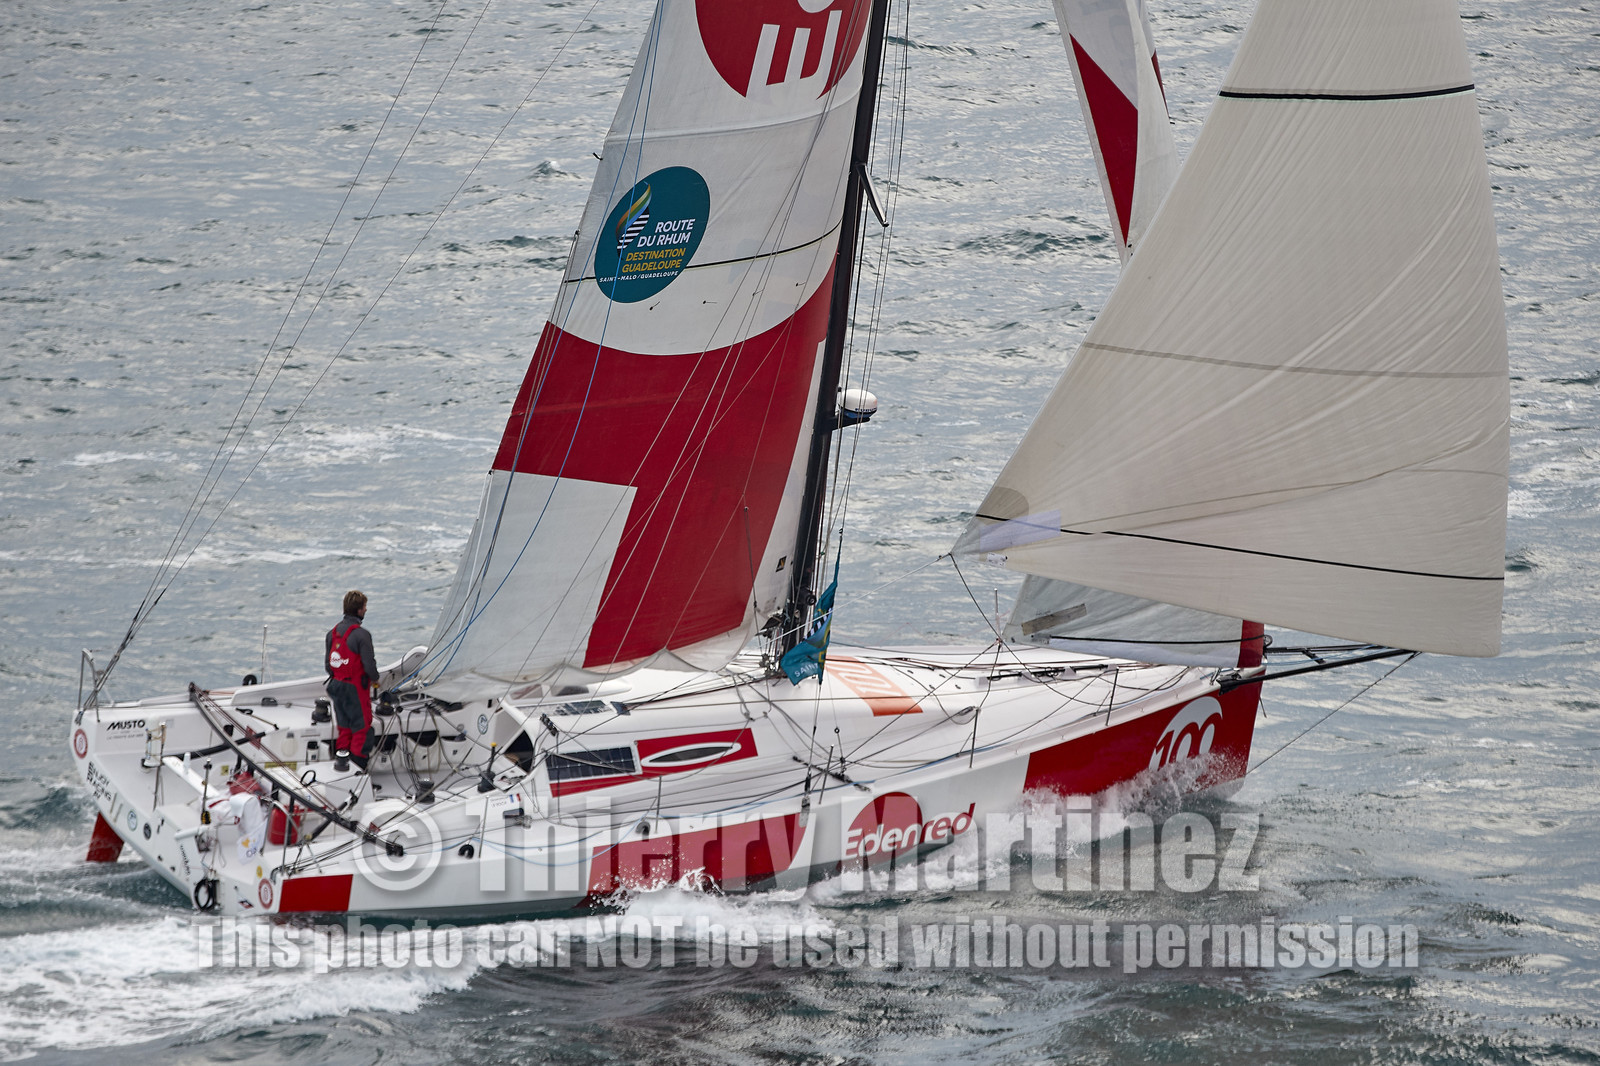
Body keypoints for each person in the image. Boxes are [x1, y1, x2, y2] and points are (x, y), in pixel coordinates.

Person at [325, 590, 379, 770]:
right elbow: (369, 666)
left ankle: (342, 768)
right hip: (355, 689)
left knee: (344, 729)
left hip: (336, 687)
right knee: (361, 730)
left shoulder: (331, 634)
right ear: (358, 610)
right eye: (364, 607)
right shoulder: (362, 635)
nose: (365, 610)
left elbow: (328, 666)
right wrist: (376, 680)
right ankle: (357, 771)